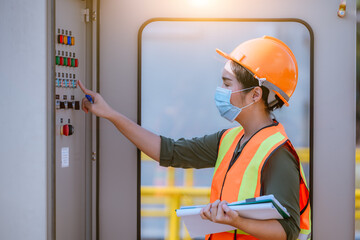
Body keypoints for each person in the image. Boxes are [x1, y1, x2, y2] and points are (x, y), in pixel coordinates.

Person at [78, 35, 311, 240]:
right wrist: (110, 114)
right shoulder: (229, 139)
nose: (220, 90)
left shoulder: (278, 152)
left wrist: (235, 221)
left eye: (227, 83)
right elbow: (168, 151)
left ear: (255, 94)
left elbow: (287, 231)